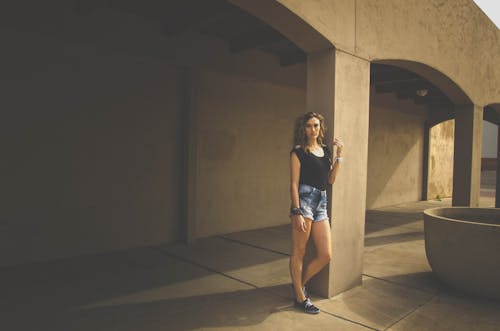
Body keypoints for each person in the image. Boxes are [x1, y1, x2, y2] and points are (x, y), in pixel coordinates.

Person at [289, 112, 343, 314]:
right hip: (304, 201)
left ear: (321, 128)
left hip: (321, 202)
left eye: (317, 125)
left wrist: (340, 155)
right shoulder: (298, 152)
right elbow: (294, 183)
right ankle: (300, 298)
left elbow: (331, 180)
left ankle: (297, 286)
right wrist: (296, 211)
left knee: (326, 254)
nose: (313, 129)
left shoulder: (326, 150)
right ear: (304, 129)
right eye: (310, 126)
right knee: (299, 251)